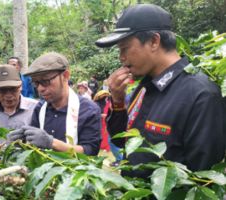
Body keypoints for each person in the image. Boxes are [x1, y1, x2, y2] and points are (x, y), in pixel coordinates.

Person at [95, 4, 226, 177]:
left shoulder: (201, 95)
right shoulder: (143, 87)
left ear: (154, 41)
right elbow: (123, 142)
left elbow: (202, 178)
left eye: (124, 48)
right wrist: (118, 102)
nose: (121, 57)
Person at [9, 52, 101, 156]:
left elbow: (90, 151)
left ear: (65, 76)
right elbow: (35, 146)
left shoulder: (88, 110)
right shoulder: (40, 109)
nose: (40, 89)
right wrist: (22, 141)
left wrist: (52, 143)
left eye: (45, 81)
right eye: (36, 83)